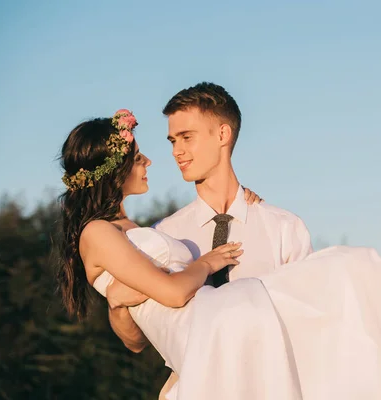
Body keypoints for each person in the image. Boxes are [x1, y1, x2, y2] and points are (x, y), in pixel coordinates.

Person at [57, 110, 381, 400]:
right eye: (141, 155)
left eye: (183, 139)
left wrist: (128, 291)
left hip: (228, 331)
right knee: (349, 272)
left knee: (348, 279)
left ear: (222, 135)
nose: (153, 160)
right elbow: (160, 307)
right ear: (112, 167)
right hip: (217, 334)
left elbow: (144, 294)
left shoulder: (135, 231)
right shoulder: (108, 232)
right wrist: (203, 264)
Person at [105, 83, 314, 399]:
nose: (176, 151)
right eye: (173, 140)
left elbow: (308, 327)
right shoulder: (164, 235)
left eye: (187, 137)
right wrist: (117, 306)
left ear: (222, 135)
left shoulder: (283, 228)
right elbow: (136, 342)